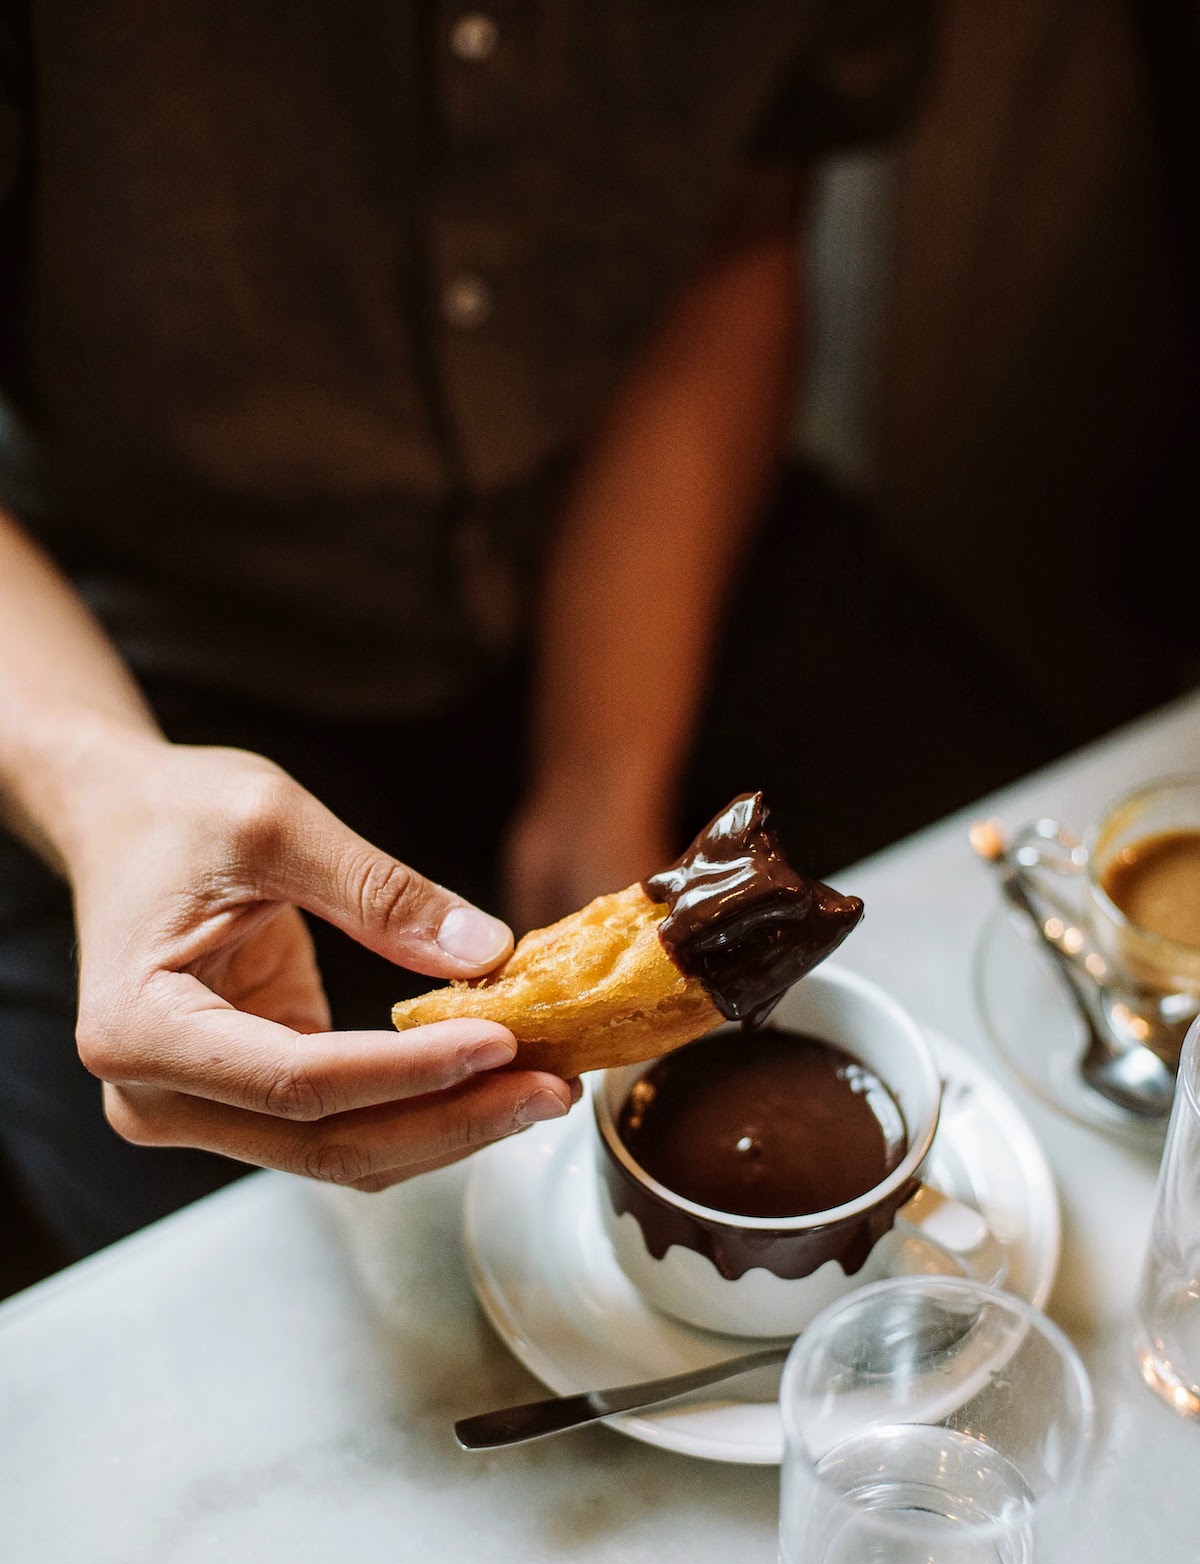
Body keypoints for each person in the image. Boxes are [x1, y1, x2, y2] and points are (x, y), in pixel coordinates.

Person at [0, 3, 942, 1257]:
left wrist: (601, 778)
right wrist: (104, 790)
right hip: (125, 678)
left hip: (647, 563)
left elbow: (739, 229)